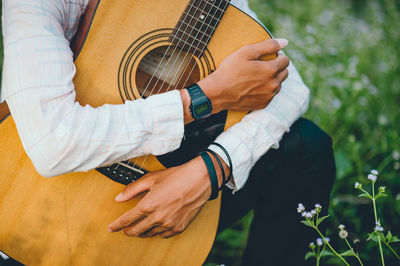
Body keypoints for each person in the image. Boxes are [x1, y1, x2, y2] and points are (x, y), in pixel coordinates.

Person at [1, 0, 335, 265]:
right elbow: (52, 143)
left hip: (168, 187)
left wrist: (212, 168)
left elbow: (290, 88)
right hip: (29, 198)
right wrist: (208, 96)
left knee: (307, 147)